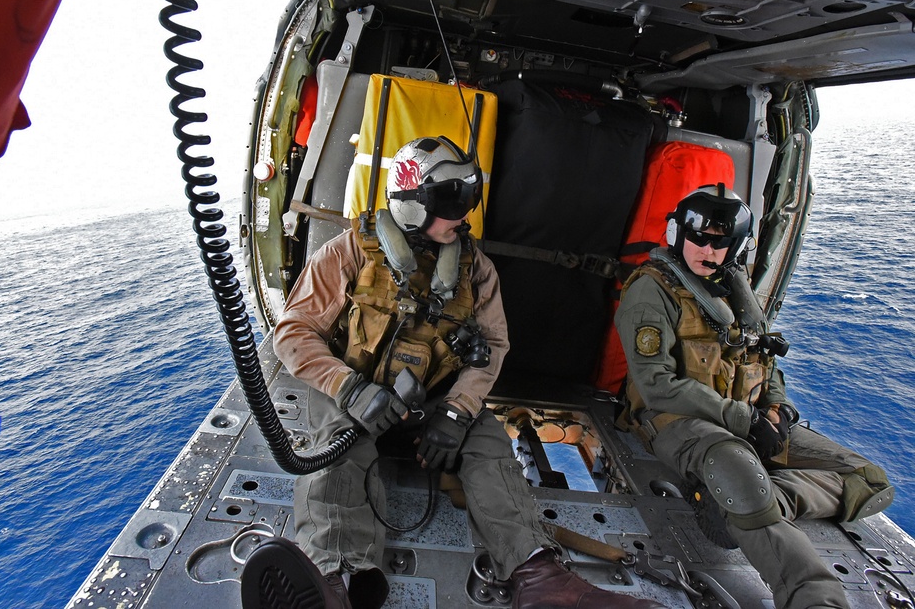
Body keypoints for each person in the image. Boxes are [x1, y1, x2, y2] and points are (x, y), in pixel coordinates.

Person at [248, 136, 665, 609]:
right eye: (452, 201)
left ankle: (539, 577)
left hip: (431, 402)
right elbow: (294, 333)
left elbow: (496, 345)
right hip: (357, 400)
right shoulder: (348, 254)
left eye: (468, 199)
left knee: (488, 446)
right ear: (410, 202)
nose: (464, 215)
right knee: (334, 455)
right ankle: (337, 583)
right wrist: (350, 388)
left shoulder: (476, 269)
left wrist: (457, 412)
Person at [615, 183, 895, 609]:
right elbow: (656, 385)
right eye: (698, 239)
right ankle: (814, 597)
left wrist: (778, 410)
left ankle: (763, 498)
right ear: (677, 233)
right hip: (675, 420)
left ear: (737, 248)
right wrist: (745, 421)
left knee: (870, 481)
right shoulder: (651, 291)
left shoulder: (733, 292)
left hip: (745, 415)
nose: (706, 251)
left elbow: (764, 359)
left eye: (720, 244)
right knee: (735, 466)